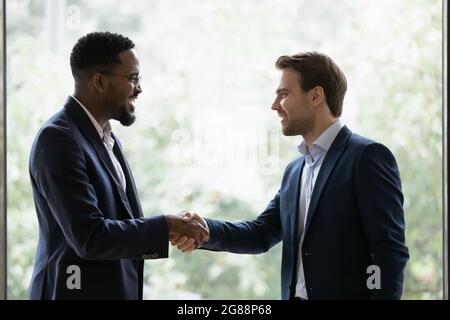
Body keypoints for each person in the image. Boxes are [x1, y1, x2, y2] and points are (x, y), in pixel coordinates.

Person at [173, 52, 409, 300]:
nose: (275, 105)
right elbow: (262, 233)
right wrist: (206, 229)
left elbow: (388, 252)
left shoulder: (367, 157)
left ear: (316, 96)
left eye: (284, 94)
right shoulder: (295, 171)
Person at [28, 32, 208, 300]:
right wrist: (166, 226)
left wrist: (172, 224)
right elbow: (90, 237)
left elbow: (121, 225)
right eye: (133, 79)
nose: (139, 88)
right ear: (100, 81)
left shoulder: (106, 138)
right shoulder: (58, 139)